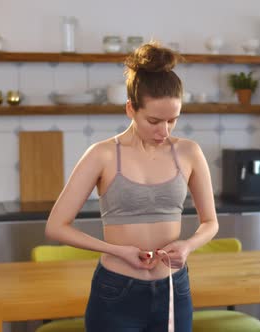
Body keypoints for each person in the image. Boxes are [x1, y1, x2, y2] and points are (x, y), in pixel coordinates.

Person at [45, 42, 219, 332]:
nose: (164, 131)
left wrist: (187, 246)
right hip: (116, 292)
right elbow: (56, 226)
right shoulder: (101, 154)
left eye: (172, 120)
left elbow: (210, 223)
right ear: (130, 109)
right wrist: (116, 251)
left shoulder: (189, 153)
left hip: (174, 288)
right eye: (153, 121)